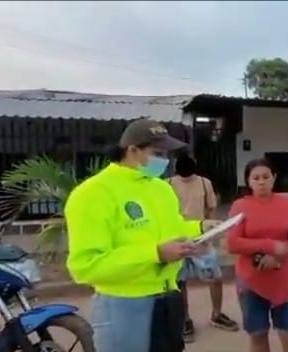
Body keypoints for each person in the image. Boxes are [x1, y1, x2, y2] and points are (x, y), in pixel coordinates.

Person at [64, 118, 220, 352]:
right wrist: (155, 254)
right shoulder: (93, 194)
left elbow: (173, 228)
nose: (164, 160)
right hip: (124, 304)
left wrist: (201, 229)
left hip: (169, 298)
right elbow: (86, 265)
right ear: (132, 150)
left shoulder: (160, 188)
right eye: (157, 153)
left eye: (167, 154)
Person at [226, 158, 288, 352]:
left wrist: (281, 255)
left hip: (283, 280)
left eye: (266, 176)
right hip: (251, 283)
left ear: (274, 178)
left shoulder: (287, 203)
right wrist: (271, 245)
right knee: (258, 337)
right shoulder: (240, 206)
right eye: (255, 178)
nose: (261, 181)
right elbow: (232, 243)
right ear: (248, 181)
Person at [168, 154, 240, 342]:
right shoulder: (167, 184)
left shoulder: (203, 183)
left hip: (202, 240)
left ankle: (217, 314)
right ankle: (185, 320)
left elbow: (210, 209)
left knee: (214, 278)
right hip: (178, 241)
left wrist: (210, 234)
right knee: (179, 282)